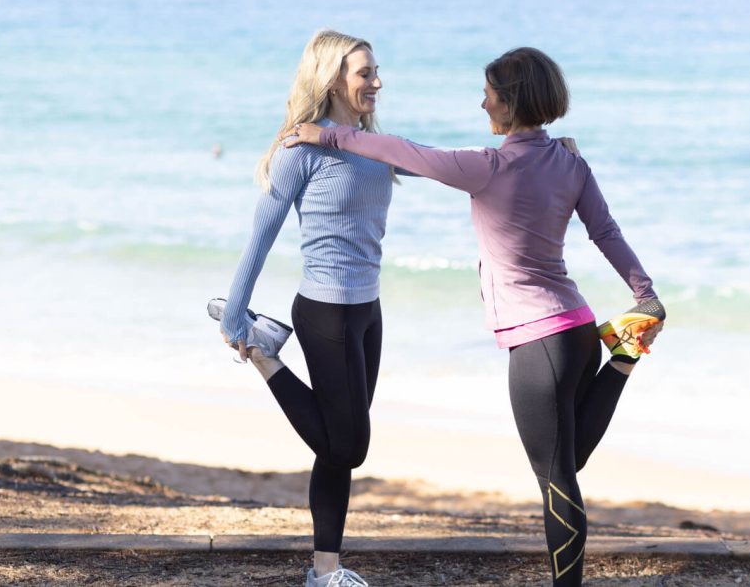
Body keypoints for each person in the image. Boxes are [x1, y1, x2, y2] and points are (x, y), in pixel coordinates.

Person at [286, 46, 665, 587]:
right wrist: (644, 293)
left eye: (488, 93)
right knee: (569, 460)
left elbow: (405, 151)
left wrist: (326, 134)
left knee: (557, 479)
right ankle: (623, 355)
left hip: (538, 344)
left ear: (509, 104)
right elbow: (606, 233)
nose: (481, 101)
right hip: (578, 329)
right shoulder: (570, 162)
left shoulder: (487, 167)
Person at [217, 29, 396, 587]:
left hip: (367, 311)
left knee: (336, 447)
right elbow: (263, 232)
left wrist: (526, 144)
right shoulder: (301, 147)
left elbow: (443, 162)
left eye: (375, 72)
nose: (376, 82)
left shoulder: (373, 145)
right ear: (334, 79)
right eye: (365, 73)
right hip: (324, 313)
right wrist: (235, 310)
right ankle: (265, 356)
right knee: (349, 445)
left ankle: (326, 570)